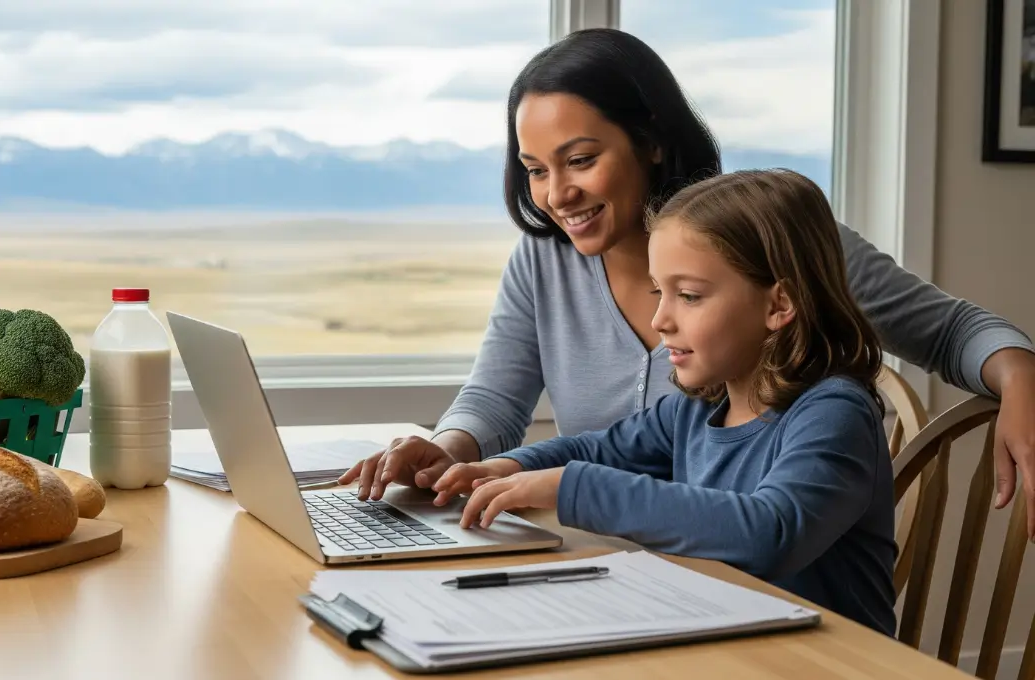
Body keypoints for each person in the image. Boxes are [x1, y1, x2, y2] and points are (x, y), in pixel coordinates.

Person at [339, 28, 1035, 538]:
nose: (556, 194)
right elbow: (510, 404)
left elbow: (950, 331)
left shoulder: (772, 247)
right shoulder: (549, 267)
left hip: (732, 592)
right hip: (615, 567)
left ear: (653, 140)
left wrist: (1021, 384)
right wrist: (458, 455)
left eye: (579, 159)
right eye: (535, 167)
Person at [435, 168, 897, 635]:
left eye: (690, 296)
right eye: (660, 292)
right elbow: (597, 449)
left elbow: (771, 532)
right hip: (729, 645)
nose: (660, 319)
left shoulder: (834, 412)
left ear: (779, 305)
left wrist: (571, 488)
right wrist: (508, 468)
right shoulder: (698, 405)